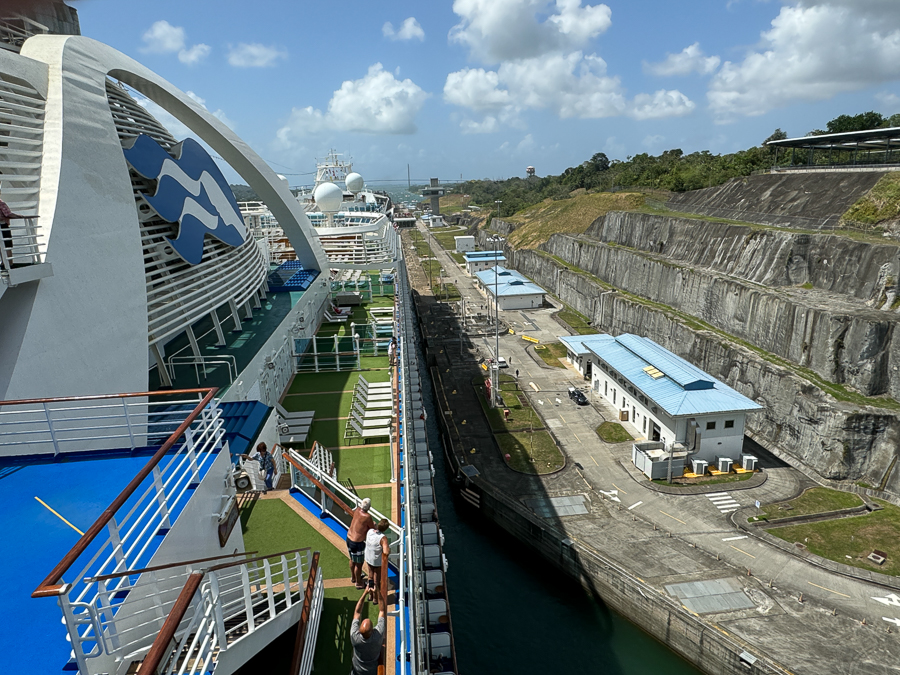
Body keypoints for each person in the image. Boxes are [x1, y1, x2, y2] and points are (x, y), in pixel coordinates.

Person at [350, 586, 385, 675]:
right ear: (372, 630)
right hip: (372, 671)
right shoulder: (377, 636)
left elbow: (357, 612)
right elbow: (382, 610)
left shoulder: (354, 636)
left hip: (356, 670)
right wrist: (377, 592)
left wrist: (364, 593)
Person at [347, 498, 375, 589]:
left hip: (349, 538)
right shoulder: (367, 517)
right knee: (359, 564)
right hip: (357, 543)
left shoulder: (357, 510)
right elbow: (372, 527)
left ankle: (353, 578)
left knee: (352, 559)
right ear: (369, 507)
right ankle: (359, 583)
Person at [365, 519, 390, 598]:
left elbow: (373, 524)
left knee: (370, 576)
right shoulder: (383, 538)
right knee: (376, 578)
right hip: (376, 560)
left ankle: (370, 595)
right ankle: (375, 598)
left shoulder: (370, 532)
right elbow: (386, 552)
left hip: (368, 557)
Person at [0, 195, 24, 269]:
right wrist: (18, 216)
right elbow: (8, 214)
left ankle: (4, 263)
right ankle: (9, 264)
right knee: (7, 245)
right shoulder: (1, 203)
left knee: (2, 246)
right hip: (3, 226)